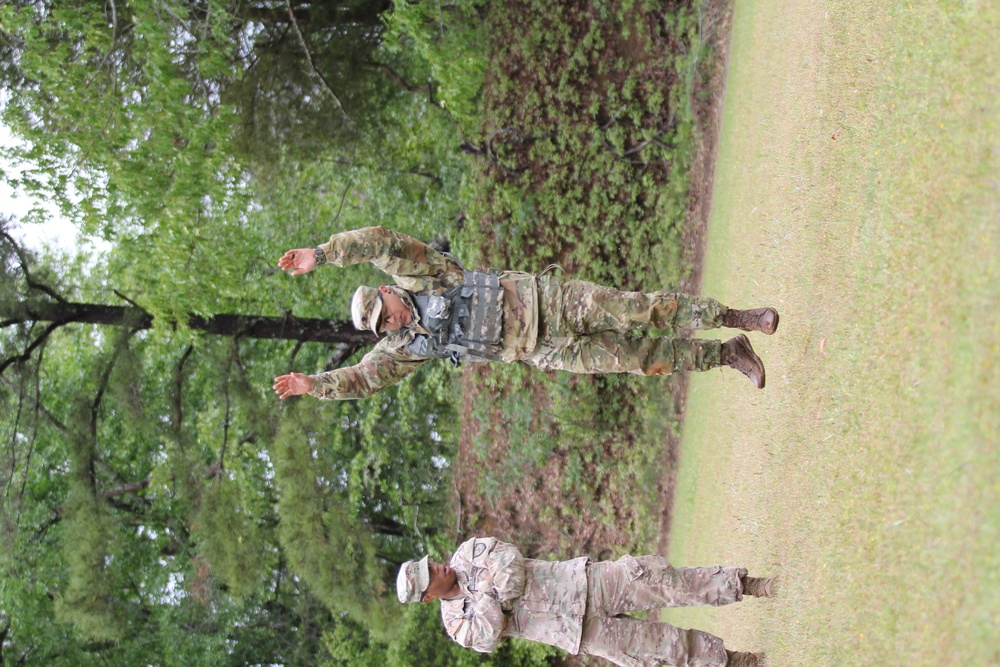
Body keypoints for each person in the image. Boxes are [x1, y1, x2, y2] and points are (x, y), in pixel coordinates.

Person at [272, 226, 779, 401]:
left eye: (385, 312)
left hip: (549, 301)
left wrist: (325, 253)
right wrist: (315, 384)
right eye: (383, 327)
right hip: (544, 350)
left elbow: (381, 241)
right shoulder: (409, 349)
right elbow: (362, 380)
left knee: (643, 311)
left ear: (387, 291)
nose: (391, 323)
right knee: (641, 359)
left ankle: (736, 316)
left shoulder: (424, 275)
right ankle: (728, 355)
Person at [396, 535, 771, 667]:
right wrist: (493, 596)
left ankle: (751, 586)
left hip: (584, 582)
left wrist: (493, 600)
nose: (439, 567)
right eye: (431, 575)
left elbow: (511, 566)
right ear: (428, 597)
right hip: (577, 632)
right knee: (662, 650)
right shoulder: (456, 625)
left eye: (430, 563)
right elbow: (489, 634)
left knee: (663, 580)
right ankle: (738, 662)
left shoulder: (466, 554)